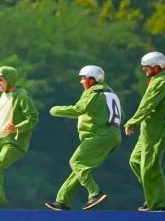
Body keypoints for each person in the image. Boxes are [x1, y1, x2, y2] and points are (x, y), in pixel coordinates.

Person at [45, 65, 122, 211]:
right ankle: (62, 201)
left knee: (76, 161)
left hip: (99, 136)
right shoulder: (110, 92)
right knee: (80, 169)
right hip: (113, 136)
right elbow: (120, 115)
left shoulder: (93, 92)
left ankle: (95, 192)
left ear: (92, 80)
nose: (81, 81)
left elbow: (78, 110)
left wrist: (55, 110)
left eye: (83, 78)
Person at [0, 65, 39, 210]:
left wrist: (18, 127)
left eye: (0, 80)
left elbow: (33, 118)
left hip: (12, 142)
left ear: (9, 80)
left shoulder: (22, 96)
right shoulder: (4, 94)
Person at [122, 51, 165, 211]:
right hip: (150, 128)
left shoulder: (160, 82)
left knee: (150, 166)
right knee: (136, 161)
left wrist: (132, 122)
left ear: (156, 67)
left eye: (147, 68)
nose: (144, 70)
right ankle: (152, 195)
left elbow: (147, 105)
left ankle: (158, 204)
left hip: (156, 128)